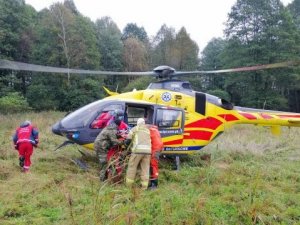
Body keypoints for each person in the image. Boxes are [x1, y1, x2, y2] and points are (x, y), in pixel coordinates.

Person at [94, 109, 125, 181]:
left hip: (101, 145)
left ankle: (105, 176)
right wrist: (124, 142)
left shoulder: (111, 126)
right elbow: (114, 142)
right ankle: (102, 179)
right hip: (101, 146)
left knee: (105, 161)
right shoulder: (112, 130)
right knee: (104, 162)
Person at [125, 118, 151, 189]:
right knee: (145, 169)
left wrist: (127, 147)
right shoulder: (147, 130)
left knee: (132, 167)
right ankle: (144, 187)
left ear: (137, 123)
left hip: (137, 151)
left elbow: (128, 140)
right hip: (148, 152)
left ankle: (129, 186)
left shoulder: (135, 129)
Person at [147, 125, 164, 189]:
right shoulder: (155, 130)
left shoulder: (150, 131)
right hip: (159, 148)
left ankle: (154, 184)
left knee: (153, 166)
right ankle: (152, 183)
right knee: (153, 165)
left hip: (155, 149)